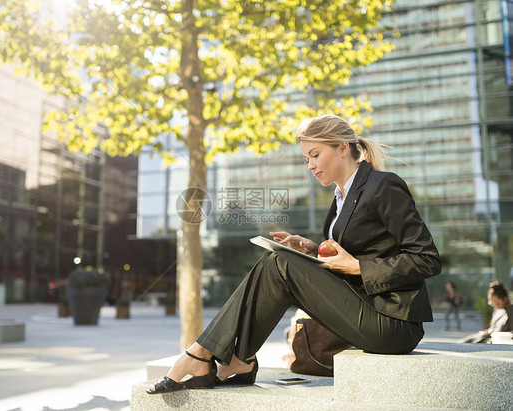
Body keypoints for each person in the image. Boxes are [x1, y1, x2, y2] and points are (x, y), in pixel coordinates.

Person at [147, 114, 442, 394]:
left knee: (280, 264)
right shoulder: (340, 198)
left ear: (342, 148)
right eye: (306, 159)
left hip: (393, 321)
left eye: (315, 155)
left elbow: (426, 258)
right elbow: (362, 248)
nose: (310, 166)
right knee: (276, 259)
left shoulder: (383, 185)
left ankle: (202, 354)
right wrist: (314, 250)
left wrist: (357, 267)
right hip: (365, 307)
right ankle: (238, 360)